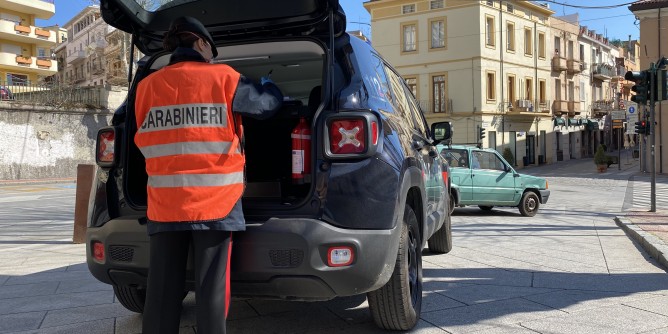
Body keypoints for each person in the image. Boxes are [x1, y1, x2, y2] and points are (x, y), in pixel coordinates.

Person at [133, 16, 283, 334]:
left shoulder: (146, 87)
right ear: (201, 43)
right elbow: (266, 106)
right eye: (211, 50)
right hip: (215, 203)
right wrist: (268, 84)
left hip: (165, 202)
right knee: (211, 289)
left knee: (161, 292)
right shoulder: (224, 77)